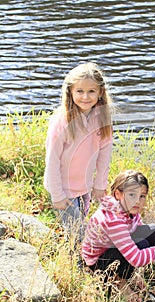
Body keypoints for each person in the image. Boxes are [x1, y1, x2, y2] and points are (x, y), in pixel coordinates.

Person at [81, 170, 155, 302]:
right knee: (141, 246)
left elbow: (137, 226)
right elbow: (136, 259)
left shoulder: (128, 208)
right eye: (132, 195)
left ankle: (124, 274)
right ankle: (119, 282)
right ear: (118, 194)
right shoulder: (113, 220)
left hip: (115, 248)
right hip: (99, 262)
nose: (138, 201)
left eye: (142, 196)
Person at [44, 62, 114, 242]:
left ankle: (78, 259)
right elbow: (52, 160)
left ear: (100, 92)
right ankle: (75, 265)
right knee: (77, 233)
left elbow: (105, 154)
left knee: (79, 225)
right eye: (80, 91)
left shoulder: (102, 118)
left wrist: (100, 184)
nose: (85, 96)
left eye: (91, 91)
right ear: (70, 92)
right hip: (64, 188)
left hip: (85, 186)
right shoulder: (62, 121)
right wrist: (57, 195)